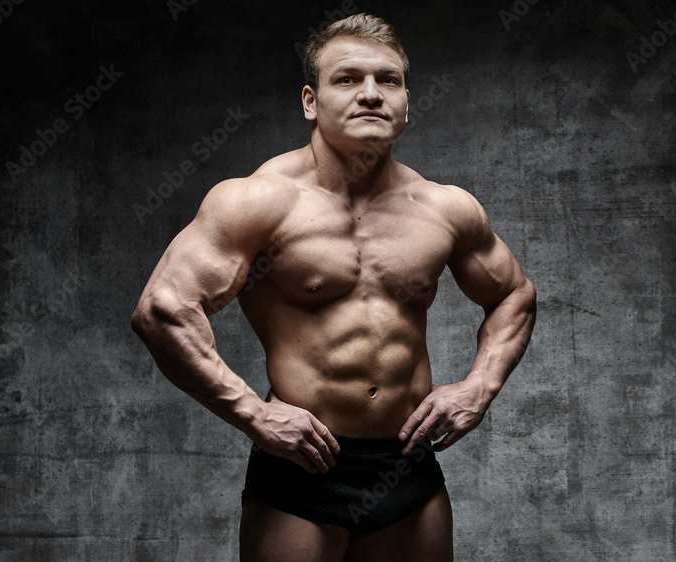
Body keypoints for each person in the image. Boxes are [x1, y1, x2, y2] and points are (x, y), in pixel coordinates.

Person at [131, 13, 536, 561]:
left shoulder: (444, 208)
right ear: (310, 101)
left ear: (407, 103)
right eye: (347, 79)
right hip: (304, 468)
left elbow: (514, 296)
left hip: (407, 466)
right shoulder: (257, 202)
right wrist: (253, 413)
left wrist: (479, 389)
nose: (371, 94)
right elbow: (163, 311)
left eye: (387, 80)